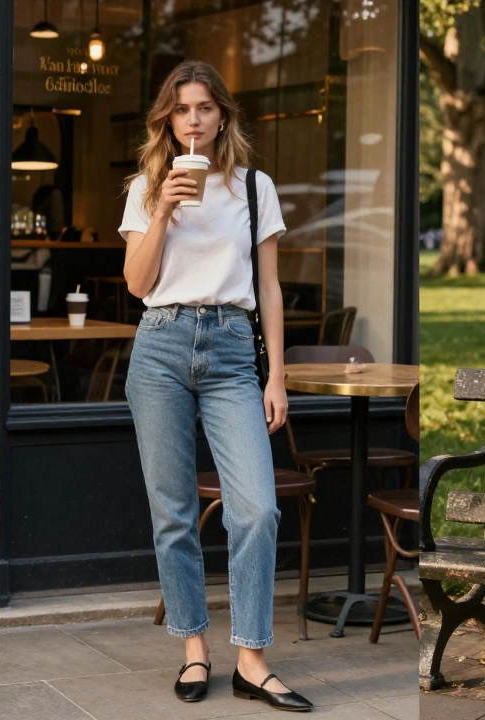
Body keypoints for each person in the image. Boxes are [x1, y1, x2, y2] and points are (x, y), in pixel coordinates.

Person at [119, 60, 312, 712]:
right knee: (173, 511)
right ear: (167, 120)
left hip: (232, 349)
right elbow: (138, 284)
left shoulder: (254, 188)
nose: (193, 120)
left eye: (204, 107)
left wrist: (275, 376)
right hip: (160, 345)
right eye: (181, 109)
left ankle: (252, 661)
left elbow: (270, 288)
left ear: (223, 115)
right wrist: (164, 211)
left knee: (257, 509)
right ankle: (194, 649)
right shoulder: (145, 188)